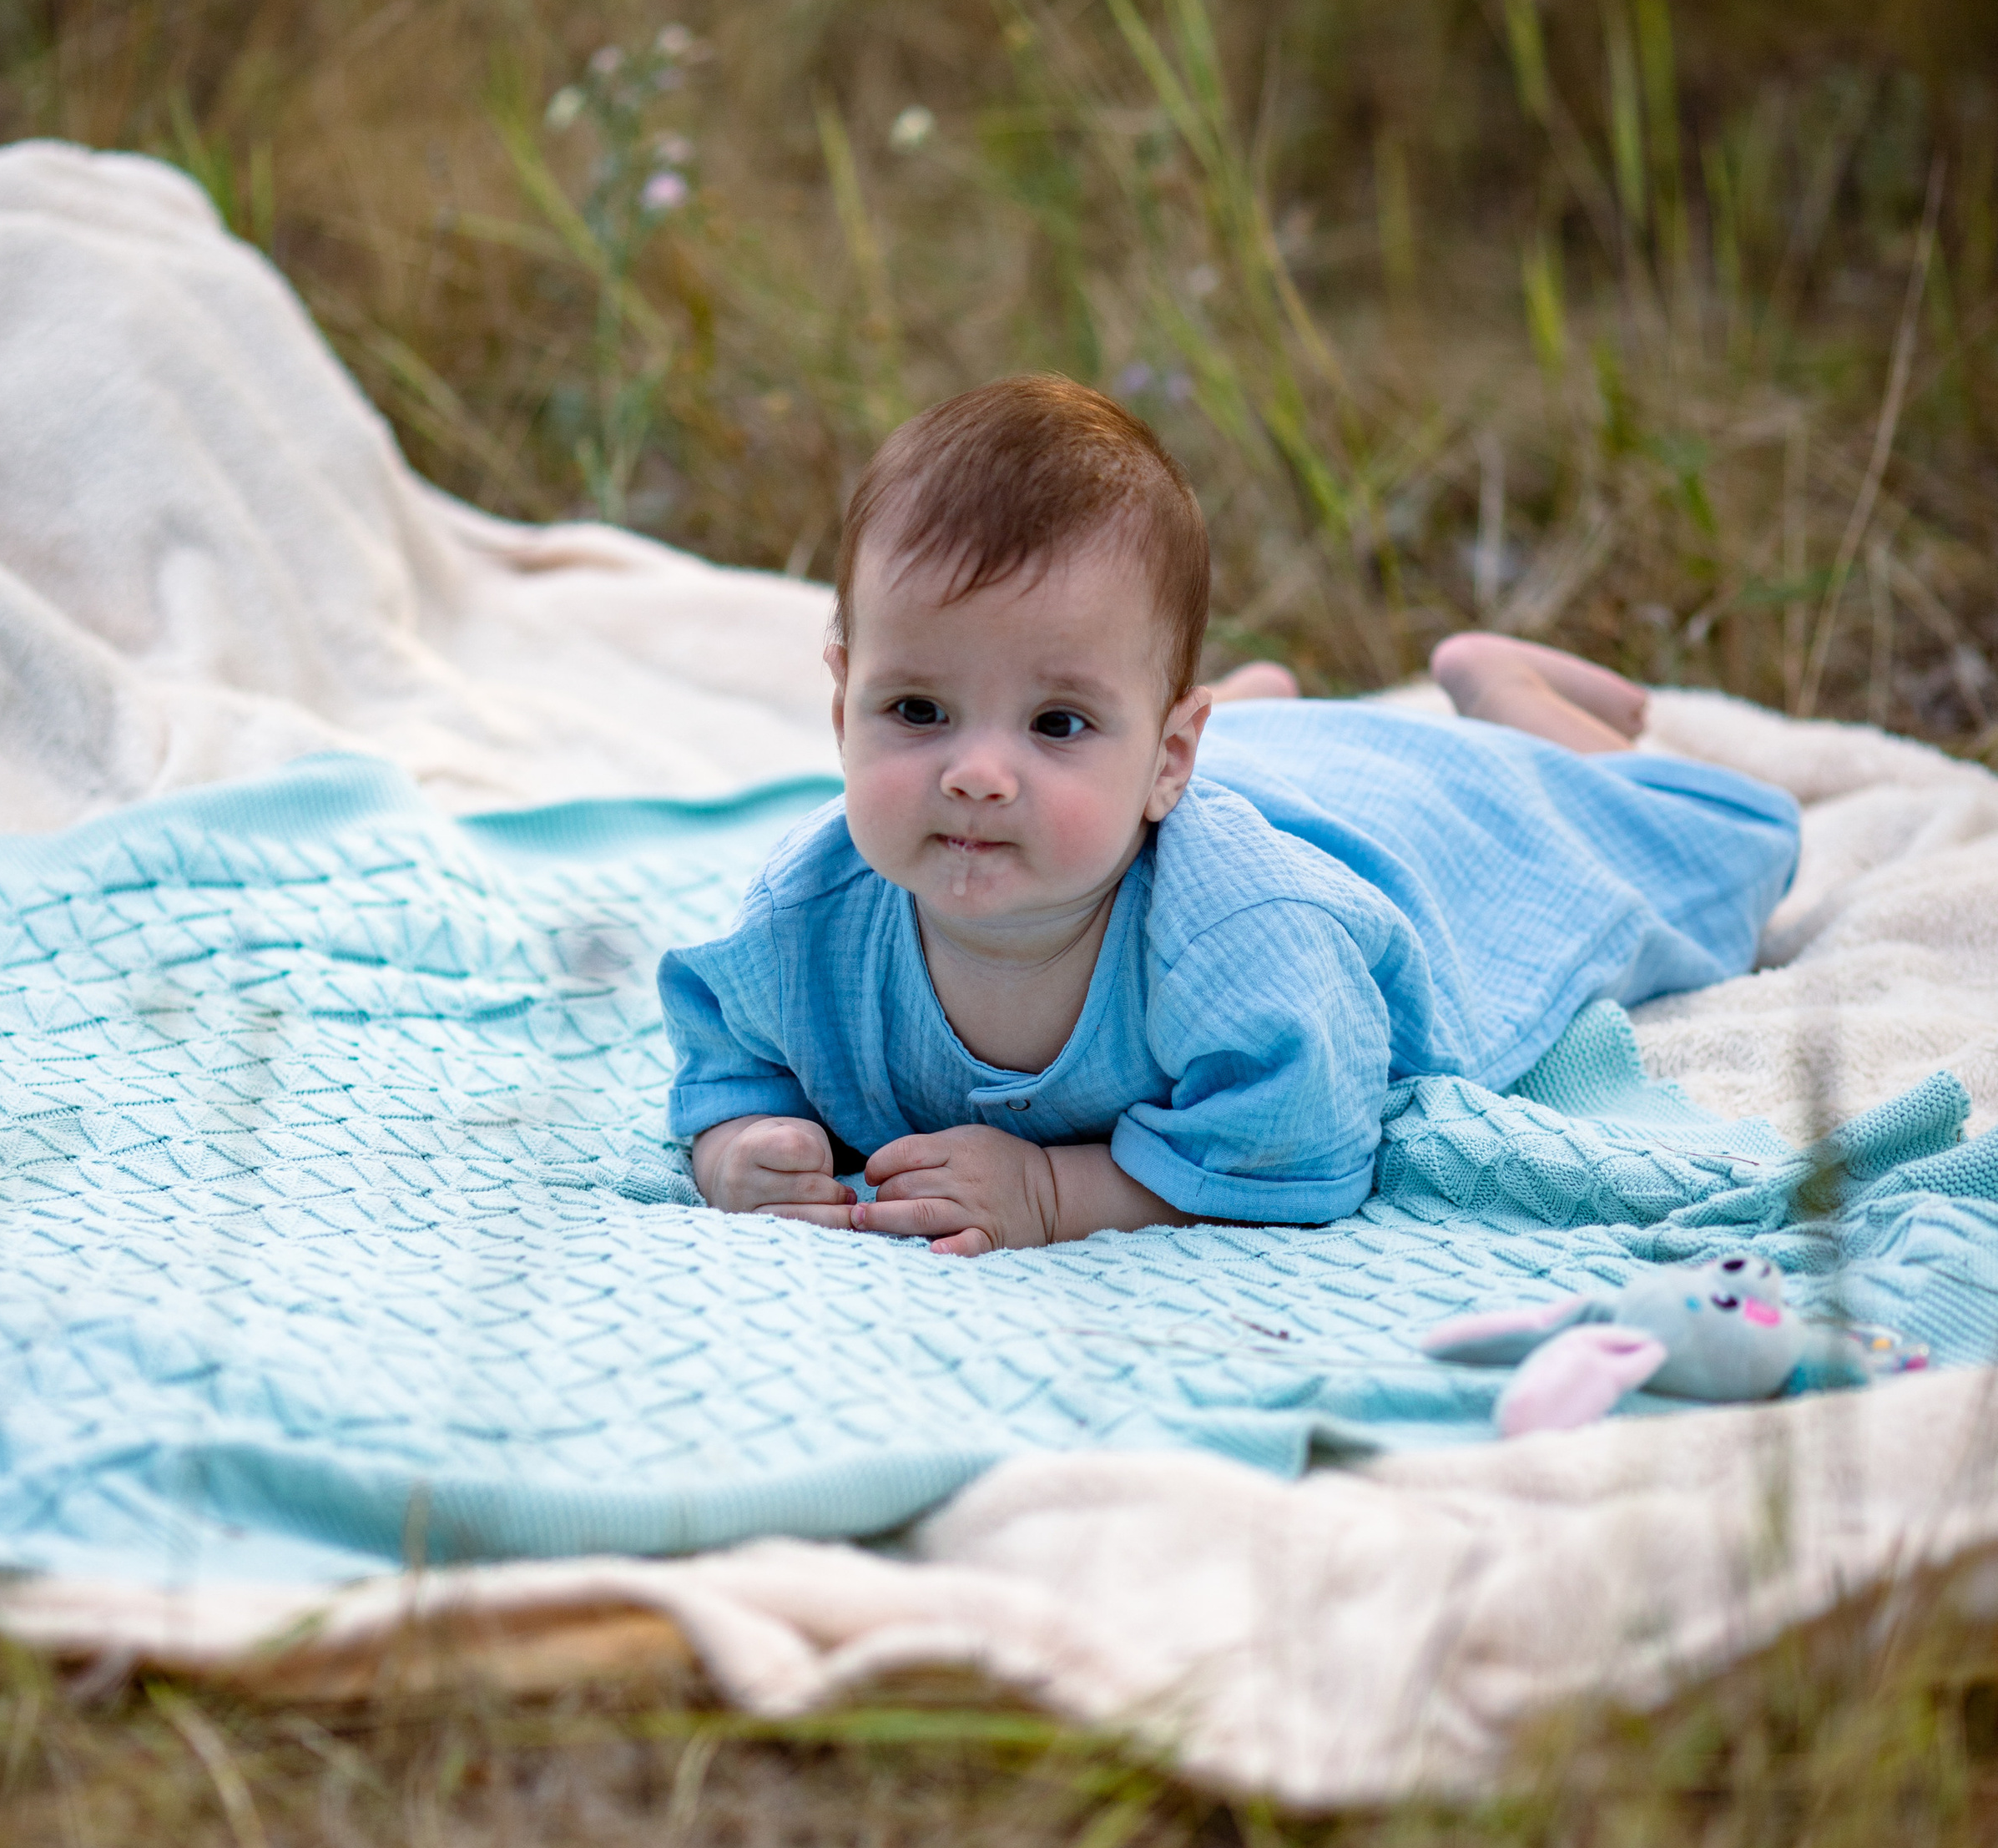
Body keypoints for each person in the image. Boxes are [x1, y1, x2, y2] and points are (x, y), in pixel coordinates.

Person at [658, 377, 1799, 1255]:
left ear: (1169, 761)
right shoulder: (805, 918)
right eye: (918, 709)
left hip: (1392, 830)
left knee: (1614, 823)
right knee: (1130, 765)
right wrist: (735, 1149)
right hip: (1190, 776)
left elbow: (1306, 1133)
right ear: (840, 701)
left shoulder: (1248, 941)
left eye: (1055, 721)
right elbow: (730, 1049)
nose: (978, 775)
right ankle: (1224, 713)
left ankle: (1507, 693)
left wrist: (1057, 1191)